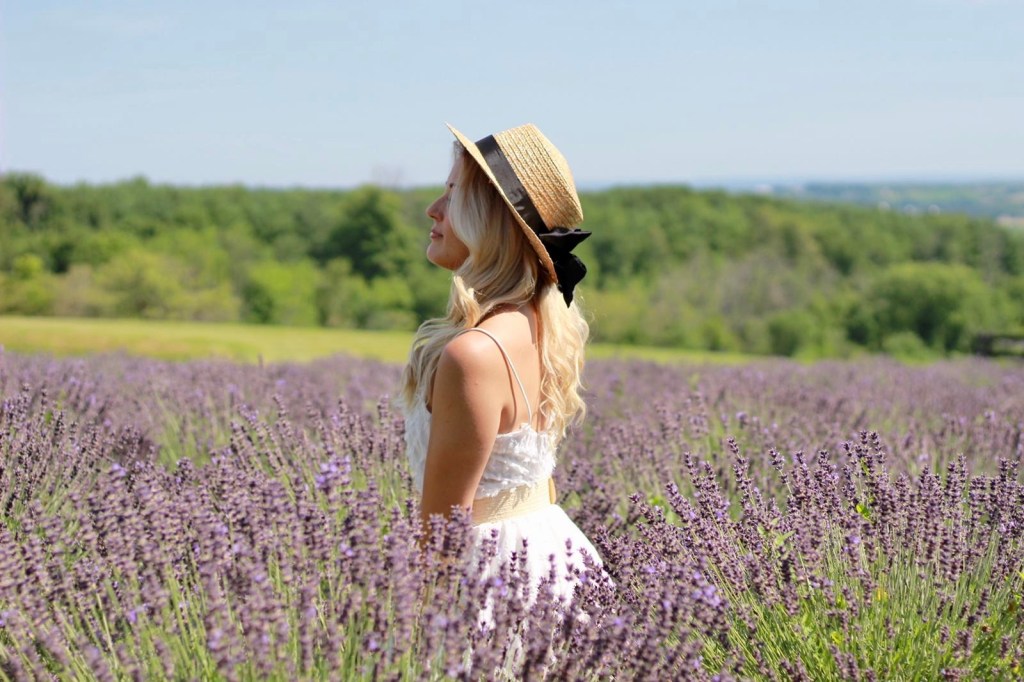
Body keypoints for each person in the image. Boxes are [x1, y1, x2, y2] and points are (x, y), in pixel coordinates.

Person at [400, 122, 602, 612]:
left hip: (490, 579)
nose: (434, 209)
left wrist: (413, 623)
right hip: (553, 558)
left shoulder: (474, 353)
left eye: (453, 194)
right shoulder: (541, 324)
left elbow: (442, 534)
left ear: (487, 219)